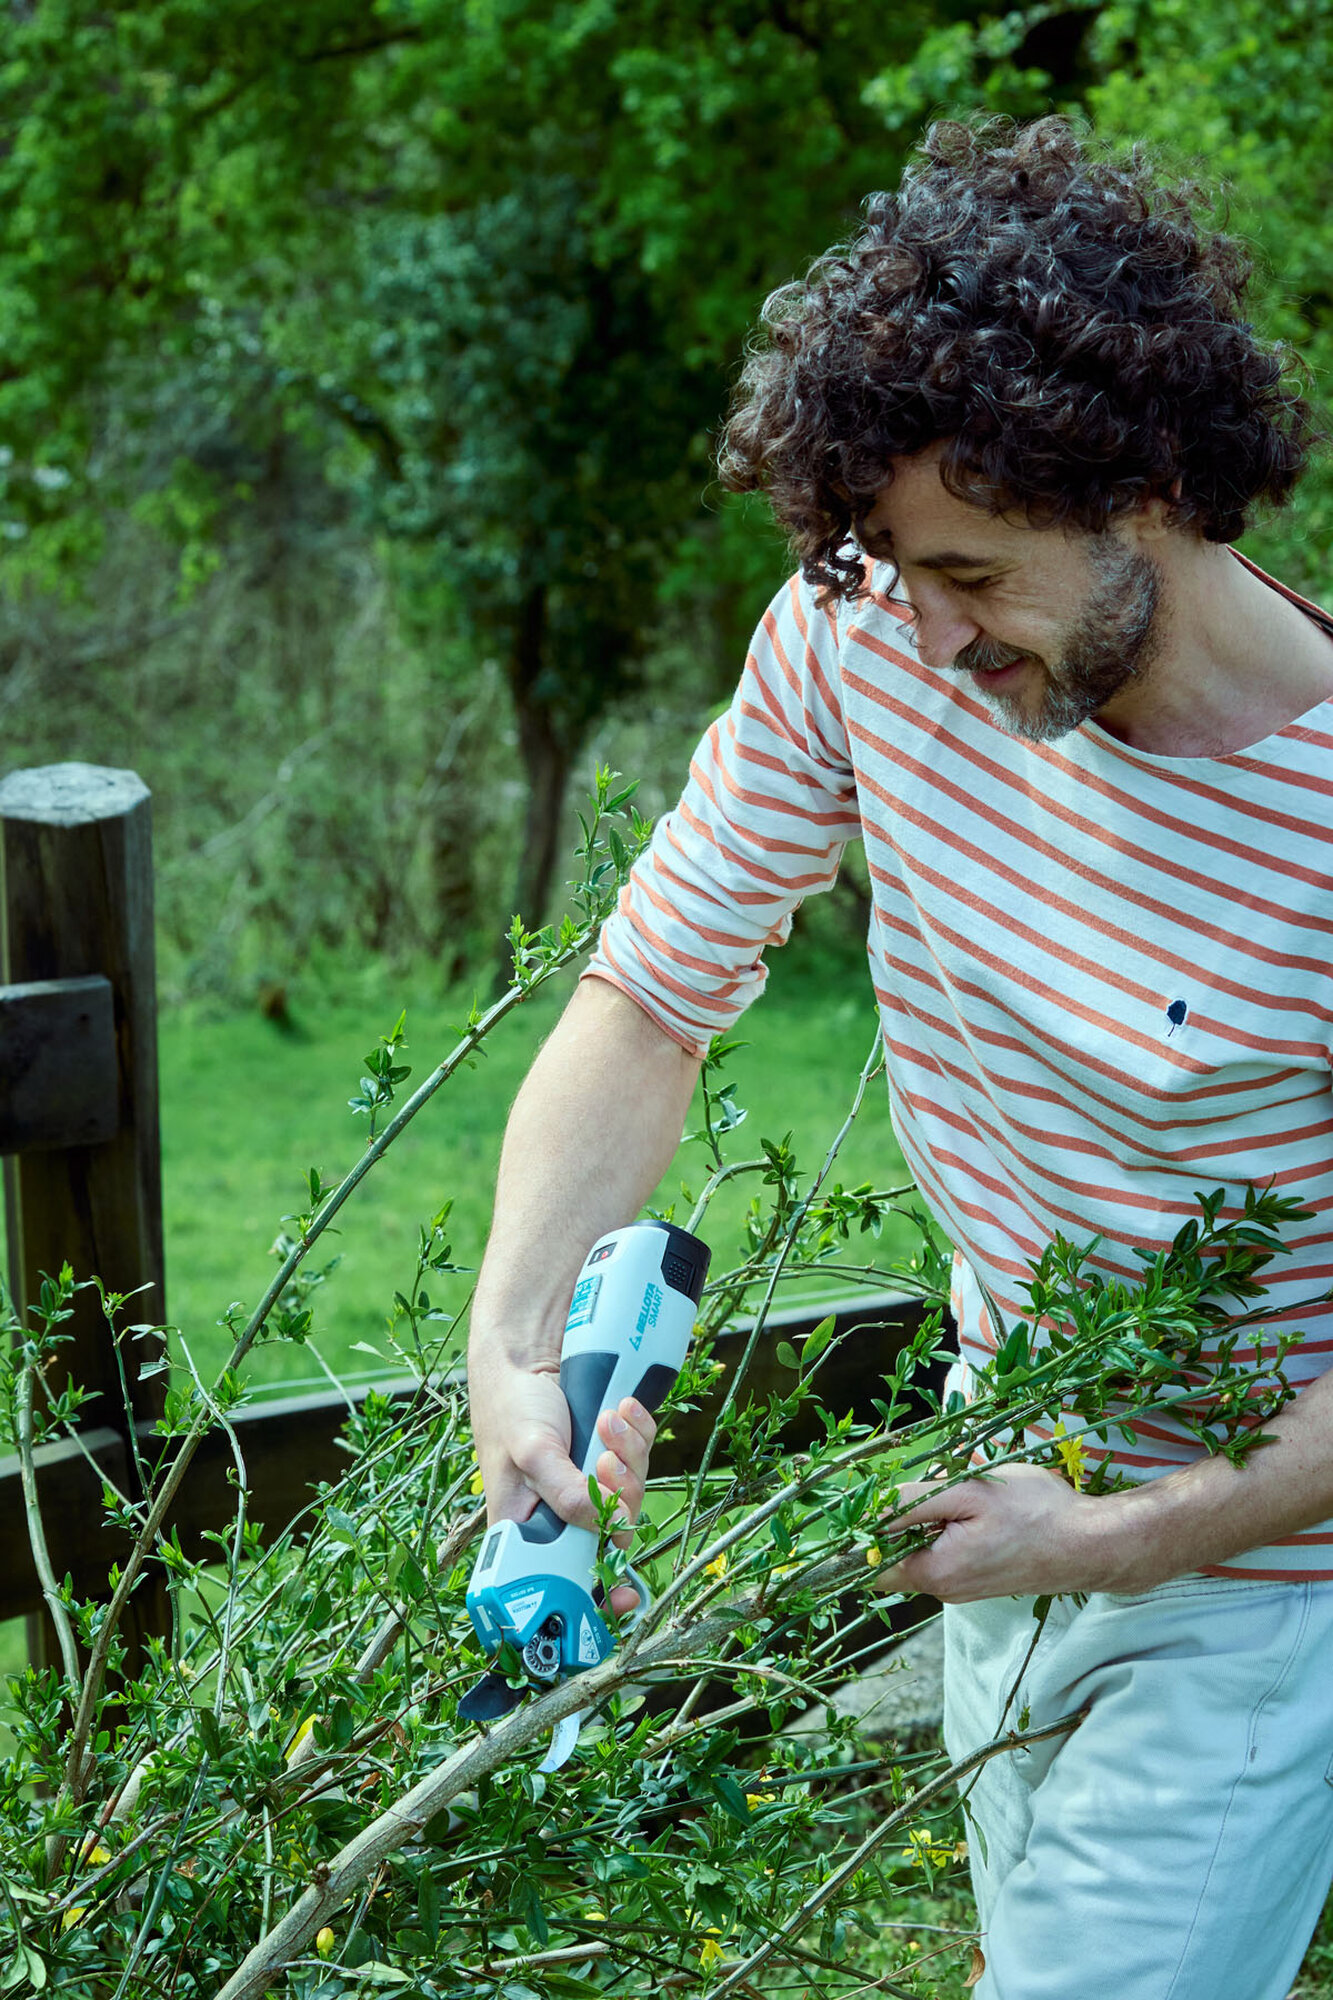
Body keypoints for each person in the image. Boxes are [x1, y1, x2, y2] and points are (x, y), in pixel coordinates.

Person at [467, 116, 1333, 1996]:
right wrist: (514, 1349)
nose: (926, 636)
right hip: (997, 1503)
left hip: (1256, 1587)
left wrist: (1117, 1542)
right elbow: (648, 999)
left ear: (1153, 482)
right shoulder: (859, 641)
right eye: (885, 564)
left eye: (973, 571)